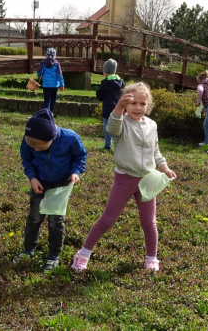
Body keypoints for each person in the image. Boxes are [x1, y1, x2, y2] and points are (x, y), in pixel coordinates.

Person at [72, 82, 177, 272]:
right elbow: (111, 130)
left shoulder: (152, 125)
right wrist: (118, 108)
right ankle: (83, 254)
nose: (138, 108)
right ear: (126, 104)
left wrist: (165, 168)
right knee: (108, 219)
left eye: (142, 104)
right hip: (125, 179)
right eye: (133, 103)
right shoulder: (121, 122)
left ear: (148, 105)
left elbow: (156, 152)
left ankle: (151, 258)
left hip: (148, 180)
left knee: (149, 222)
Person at [14, 108, 87, 272]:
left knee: (56, 221)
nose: (37, 150)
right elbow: (27, 159)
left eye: (41, 147)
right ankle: (28, 250)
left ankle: (53, 255)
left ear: (52, 138)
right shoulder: (30, 141)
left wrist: (75, 172)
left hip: (61, 185)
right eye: (34, 148)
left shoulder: (70, 138)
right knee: (34, 218)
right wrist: (32, 178)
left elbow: (80, 157)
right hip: (39, 184)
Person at [96, 59, 125, 151]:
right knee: (118, 127)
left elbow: (100, 95)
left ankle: (107, 145)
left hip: (108, 108)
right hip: (119, 108)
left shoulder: (105, 83)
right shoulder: (121, 82)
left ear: (105, 71)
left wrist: (99, 94)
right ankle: (118, 146)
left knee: (107, 127)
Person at [37, 48, 65, 113]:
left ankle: (47, 113)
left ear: (46, 54)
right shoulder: (57, 64)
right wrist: (62, 85)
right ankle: (51, 112)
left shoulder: (43, 63)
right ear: (55, 55)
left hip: (46, 85)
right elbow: (59, 75)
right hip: (55, 85)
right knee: (53, 99)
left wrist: (39, 76)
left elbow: (39, 72)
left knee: (47, 100)